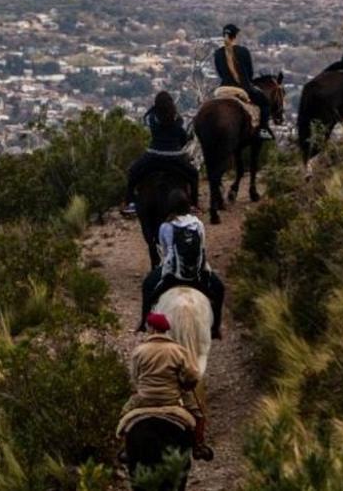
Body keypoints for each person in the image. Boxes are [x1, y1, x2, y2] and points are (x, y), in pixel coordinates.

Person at [118, 312, 212, 462]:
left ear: (152, 329)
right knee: (198, 415)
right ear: (164, 330)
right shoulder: (178, 350)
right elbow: (193, 375)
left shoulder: (139, 351)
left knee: (124, 415)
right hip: (171, 398)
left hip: (144, 399)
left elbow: (134, 379)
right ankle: (198, 446)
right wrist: (186, 384)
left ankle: (125, 450)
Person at [139, 189, 225, 339]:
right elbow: (202, 247)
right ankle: (216, 327)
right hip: (197, 273)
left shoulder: (165, 226)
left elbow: (165, 253)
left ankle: (144, 323)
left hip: (172, 273)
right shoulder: (197, 224)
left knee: (147, 286)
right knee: (219, 289)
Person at [123, 92, 200, 215]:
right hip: (175, 158)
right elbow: (183, 138)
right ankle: (193, 204)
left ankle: (130, 203)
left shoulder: (152, 117)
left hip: (153, 156)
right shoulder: (178, 119)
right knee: (193, 175)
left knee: (133, 172)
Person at [213, 24, 275, 138]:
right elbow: (250, 73)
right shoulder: (243, 51)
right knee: (265, 104)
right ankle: (263, 130)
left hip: (222, 89)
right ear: (235, 36)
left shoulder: (217, 53)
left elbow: (220, 73)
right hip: (242, 88)